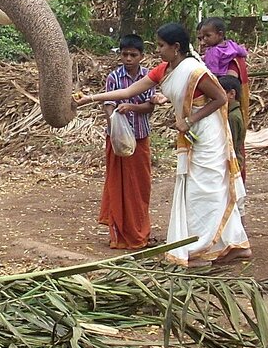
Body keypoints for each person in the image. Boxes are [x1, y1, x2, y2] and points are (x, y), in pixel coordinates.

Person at [75, 23, 250, 266]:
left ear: (175, 47)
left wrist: (190, 120)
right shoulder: (164, 70)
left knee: (205, 191)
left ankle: (202, 248)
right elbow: (127, 92)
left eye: (160, 46)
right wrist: (90, 99)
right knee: (199, 190)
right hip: (190, 136)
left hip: (208, 136)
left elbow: (221, 98)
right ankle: (232, 244)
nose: (157, 50)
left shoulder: (194, 71)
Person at [95, 34, 156, 250]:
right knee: (117, 186)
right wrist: (114, 130)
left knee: (139, 187)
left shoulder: (148, 76)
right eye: (124, 54)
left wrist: (131, 107)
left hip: (139, 137)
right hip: (118, 140)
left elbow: (150, 106)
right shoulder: (114, 77)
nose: (128, 58)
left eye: (133, 55)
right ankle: (119, 235)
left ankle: (139, 233)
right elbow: (108, 104)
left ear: (141, 56)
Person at [197, 17, 251, 127]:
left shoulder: (214, 53)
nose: (203, 42)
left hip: (224, 101)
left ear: (220, 34)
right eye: (200, 38)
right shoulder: (232, 45)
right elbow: (243, 52)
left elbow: (213, 75)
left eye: (207, 36)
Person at [219, 74, 246, 181]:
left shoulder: (233, 117)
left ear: (232, 94)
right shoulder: (233, 113)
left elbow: (232, 145)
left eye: (221, 92)